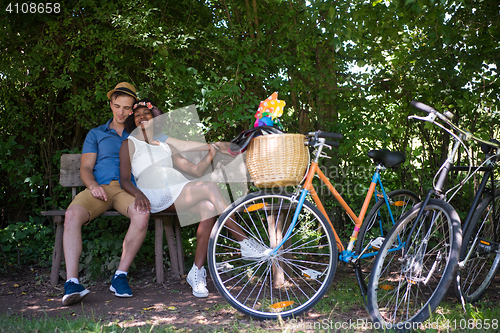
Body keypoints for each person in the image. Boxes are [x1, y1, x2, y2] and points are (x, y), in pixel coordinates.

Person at [120, 99, 266, 298]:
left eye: (146, 114)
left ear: (155, 118)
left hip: (177, 188)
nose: (142, 118)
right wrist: (138, 194)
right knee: (210, 188)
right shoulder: (130, 143)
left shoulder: (165, 146)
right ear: (133, 122)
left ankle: (196, 273)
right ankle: (244, 241)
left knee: (208, 206)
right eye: (137, 116)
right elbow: (124, 180)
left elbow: (195, 171)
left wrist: (212, 150)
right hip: (153, 192)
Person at [62, 82, 150, 306]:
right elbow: (85, 168)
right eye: (117, 106)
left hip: (126, 190)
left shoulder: (138, 134)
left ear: (132, 110)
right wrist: (92, 186)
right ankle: (72, 282)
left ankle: (120, 276)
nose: (121, 112)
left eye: (127, 108)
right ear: (110, 105)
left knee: (142, 214)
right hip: (99, 189)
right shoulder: (96, 134)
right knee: (71, 215)